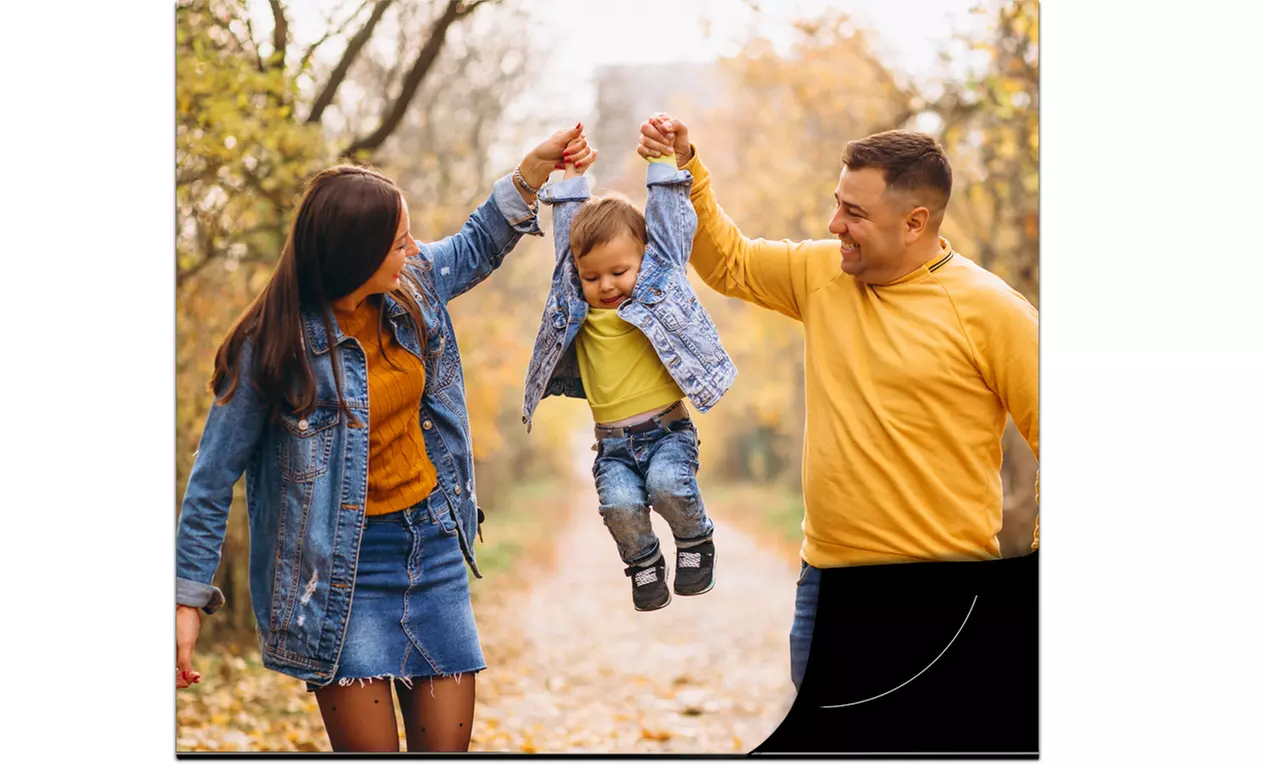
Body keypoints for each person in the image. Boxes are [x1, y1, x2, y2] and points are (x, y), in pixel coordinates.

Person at [174, 124, 591, 752]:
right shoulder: (271, 346)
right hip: (339, 573)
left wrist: (532, 174)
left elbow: (478, 244)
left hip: (432, 550)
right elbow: (210, 482)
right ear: (355, 257)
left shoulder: (411, 285)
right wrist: (185, 599)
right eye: (399, 242)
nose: (414, 249)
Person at [637, 114, 1039, 690]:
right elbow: (730, 262)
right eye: (837, 204)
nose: (835, 224)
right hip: (824, 583)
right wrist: (686, 168)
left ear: (914, 222)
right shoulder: (823, 273)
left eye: (855, 213)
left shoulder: (991, 311)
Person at [520, 131, 736, 612]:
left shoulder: (659, 285)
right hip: (613, 443)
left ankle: (695, 540)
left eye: (619, 271)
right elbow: (567, 242)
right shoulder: (575, 299)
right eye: (593, 276)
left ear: (643, 259)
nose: (606, 285)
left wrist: (662, 162)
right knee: (617, 505)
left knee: (667, 485)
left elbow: (669, 225)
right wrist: (573, 179)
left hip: (667, 432)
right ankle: (643, 562)